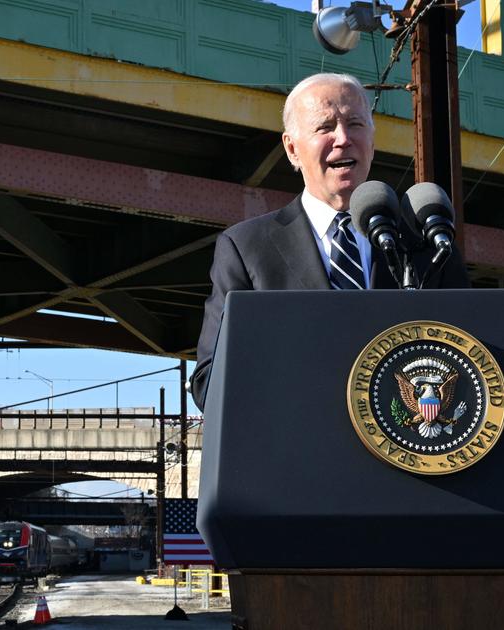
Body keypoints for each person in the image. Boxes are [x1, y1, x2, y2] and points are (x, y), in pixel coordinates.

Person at [190, 73, 470, 410]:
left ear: (372, 138)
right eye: (325, 127)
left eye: (355, 124)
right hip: (298, 451)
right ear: (292, 148)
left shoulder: (428, 242)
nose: (343, 138)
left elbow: (471, 362)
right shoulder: (246, 248)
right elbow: (210, 384)